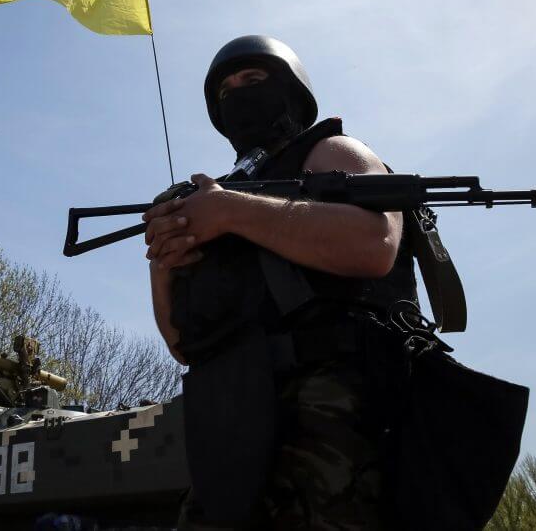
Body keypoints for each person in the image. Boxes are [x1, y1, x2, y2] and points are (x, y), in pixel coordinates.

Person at [143, 36, 419, 530]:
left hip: (334, 423)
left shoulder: (330, 151)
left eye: (253, 81)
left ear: (291, 93)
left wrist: (230, 212)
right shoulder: (212, 198)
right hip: (230, 427)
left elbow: (373, 243)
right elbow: (182, 343)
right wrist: (166, 256)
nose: (239, 95)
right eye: (226, 90)